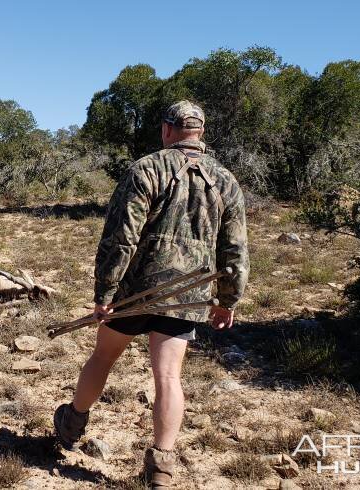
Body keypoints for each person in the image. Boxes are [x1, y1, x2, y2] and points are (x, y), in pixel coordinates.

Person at [53, 100, 249, 488]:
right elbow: (235, 249)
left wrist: (105, 292)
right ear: (201, 132)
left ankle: (71, 425)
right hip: (188, 296)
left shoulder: (145, 169)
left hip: (134, 291)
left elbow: (121, 238)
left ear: (166, 130)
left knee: (103, 357)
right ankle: (161, 467)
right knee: (168, 376)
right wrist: (229, 299)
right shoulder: (225, 180)